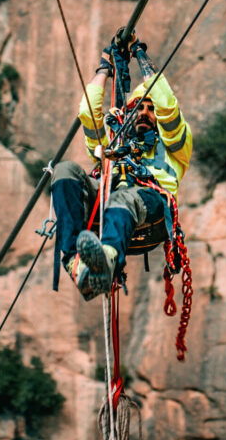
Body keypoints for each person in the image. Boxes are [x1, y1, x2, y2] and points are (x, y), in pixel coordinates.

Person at [50, 36, 193, 300]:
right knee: (65, 171)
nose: (145, 113)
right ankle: (76, 263)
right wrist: (104, 68)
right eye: (139, 108)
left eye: (151, 110)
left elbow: (168, 107)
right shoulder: (115, 143)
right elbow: (87, 113)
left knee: (124, 196)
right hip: (110, 207)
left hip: (152, 212)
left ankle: (108, 259)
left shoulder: (174, 143)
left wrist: (140, 53)